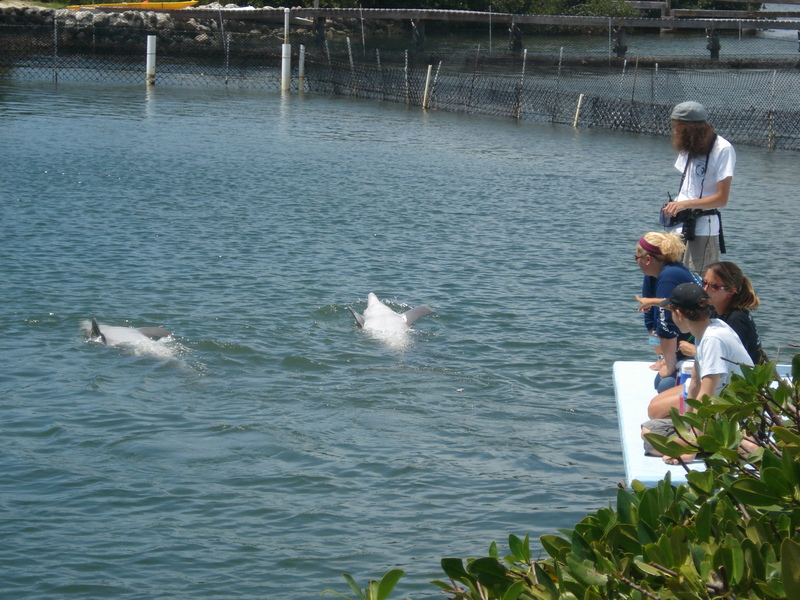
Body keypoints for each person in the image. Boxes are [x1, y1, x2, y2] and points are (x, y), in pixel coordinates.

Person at [642, 282, 754, 464]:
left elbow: (706, 397)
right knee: (649, 430)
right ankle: (726, 444)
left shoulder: (712, 340)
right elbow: (694, 384)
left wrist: (690, 447)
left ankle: (736, 445)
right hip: (717, 418)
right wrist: (686, 426)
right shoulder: (711, 328)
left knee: (651, 442)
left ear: (679, 313)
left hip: (733, 420)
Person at [660, 101, 735, 275]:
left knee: (698, 283)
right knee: (671, 278)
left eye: (679, 127)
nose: (675, 132)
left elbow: (722, 198)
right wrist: (676, 205)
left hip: (703, 230)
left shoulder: (723, 149)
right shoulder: (688, 145)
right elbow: (688, 187)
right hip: (678, 228)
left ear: (693, 127)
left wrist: (684, 205)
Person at [634, 231, 698, 392]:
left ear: (647, 259)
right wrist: (661, 357)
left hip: (693, 344)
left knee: (663, 386)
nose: (636, 262)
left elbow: (667, 326)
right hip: (678, 346)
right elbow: (650, 319)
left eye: (636, 258)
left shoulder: (670, 276)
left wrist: (669, 367)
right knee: (660, 382)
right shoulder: (652, 275)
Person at [678, 261, 766, 366]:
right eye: (704, 283)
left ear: (731, 291)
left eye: (714, 286)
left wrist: (695, 351)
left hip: (748, 379)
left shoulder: (736, 320)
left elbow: (734, 360)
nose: (705, 289)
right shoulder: (716, 312)